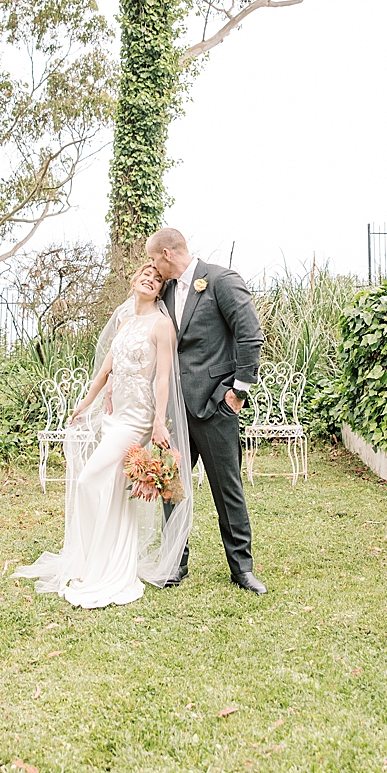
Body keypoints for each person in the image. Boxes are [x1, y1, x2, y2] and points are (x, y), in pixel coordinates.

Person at [13, 263, 194, 607]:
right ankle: (105, 560)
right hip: (115, 417)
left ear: (160, 289)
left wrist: (158, 421)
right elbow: (104, 370)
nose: (149, 279)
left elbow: (162, 378)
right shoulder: (125, 323)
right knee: (112, 488)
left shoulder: (162, 325)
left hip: (137, 419)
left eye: (157, 279)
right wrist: (86, 402)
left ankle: (103, 562)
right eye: (145, 273)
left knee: (89, 480)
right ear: (134, 279)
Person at [145, 228, 267, 594]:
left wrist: (238, 393)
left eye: (153, 259)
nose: (152, 267)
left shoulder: (221, 281)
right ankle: (174, 563)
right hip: (174, 412)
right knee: (171, 489)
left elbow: (250, 335)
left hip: (215, 405)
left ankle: (242, 569)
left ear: (166, 253)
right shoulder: (163, 291)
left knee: (227, 489)